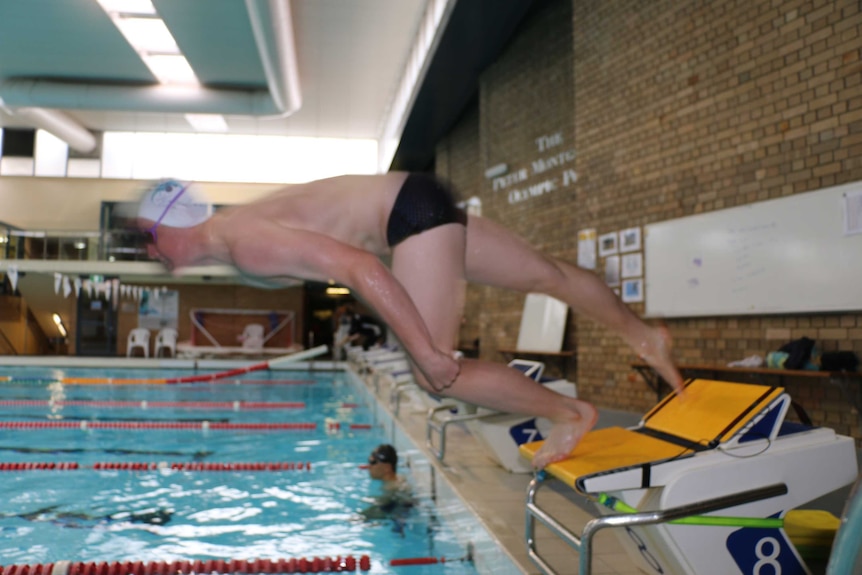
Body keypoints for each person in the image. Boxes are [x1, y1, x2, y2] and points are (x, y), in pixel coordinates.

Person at [133, 173, 684, 468]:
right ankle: (644, 334)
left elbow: (358, 264)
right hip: (418, 197)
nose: (149, 250)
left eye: (148, 238)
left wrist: (422, 348)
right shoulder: (237, 232)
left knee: (435, 371)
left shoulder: (244, 242)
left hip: (405, 217)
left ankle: (571, 413)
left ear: (170, 230)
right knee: (548, 275)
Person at [360, 444, 413, 523]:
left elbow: (385, 507)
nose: (369, 466)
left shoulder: (392, 489)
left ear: (386, 467)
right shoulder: (399, 479)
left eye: (372, 462)